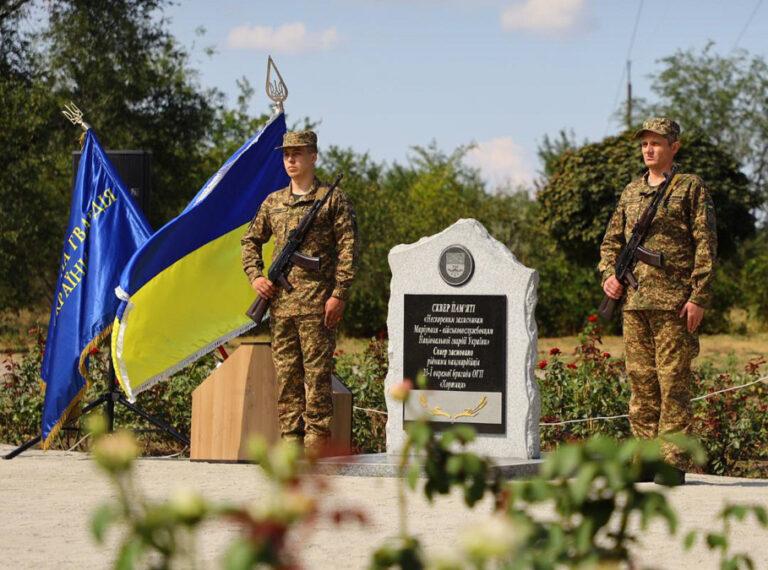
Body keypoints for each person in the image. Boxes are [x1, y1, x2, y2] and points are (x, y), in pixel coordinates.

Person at [598, 117, 717, 485]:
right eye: (645, 143)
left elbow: (706, 246)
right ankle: (643, 457)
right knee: (641, 381)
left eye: (657, 143)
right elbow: (611, 242)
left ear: (674, 147)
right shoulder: (631, 191)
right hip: (635, 302)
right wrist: (609, 276)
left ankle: (671, 461)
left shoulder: (689, 187)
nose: (648, 149)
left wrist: (698, 296)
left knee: (673, 381)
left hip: (674, 303)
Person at [241, 130, 358, 455]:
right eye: (286, 154)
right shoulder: (273, 202)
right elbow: (250, 241)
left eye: (298, 153)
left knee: (318, 378)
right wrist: (256, 276)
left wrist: (339, 293)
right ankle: (291, 444)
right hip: (280, 306)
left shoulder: (332, 199)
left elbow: (349, 247)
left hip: (318, 305)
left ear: (313, 156)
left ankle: (315, 447)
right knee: (287, 379)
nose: (290, 159)